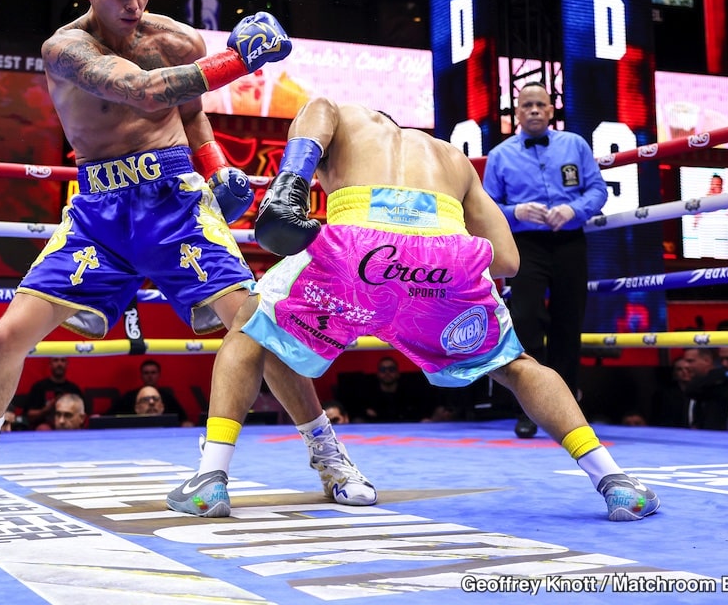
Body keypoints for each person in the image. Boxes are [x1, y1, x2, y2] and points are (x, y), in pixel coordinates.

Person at [0, 0, 373, 507]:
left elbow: (188, 109)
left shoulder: (175, 40)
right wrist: (242, 58)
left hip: (176, 203)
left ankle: (330, 458)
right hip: (99, 212)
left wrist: (217, 163)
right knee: (6, 336)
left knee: (257, 330)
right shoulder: (64, 49)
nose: (133, 4)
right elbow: (148, 92)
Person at [166, 98, 658, 522]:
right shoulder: (451, 157)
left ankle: (211, 478)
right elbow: (508, 260)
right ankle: (615, 482)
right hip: (445, 261)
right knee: (518, 366)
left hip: (357, 249)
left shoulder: (344, 116)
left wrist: (291, 182)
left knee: (251, 330)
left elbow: (318, 111)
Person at [481, 82, 608, 438]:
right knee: (524, 320)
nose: (534, 110)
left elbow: (598, 190)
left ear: (551, 110)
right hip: (526, 245)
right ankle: (530, 408)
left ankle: (565, 414)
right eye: (527, 105)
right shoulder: (501, 155)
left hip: (569, 240)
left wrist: (573, 208)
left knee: (568, 324)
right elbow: (486, 207)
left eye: (541, 104)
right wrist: (516, 211)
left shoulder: (575, 145)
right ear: (517, 113)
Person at [112, 359, 191, 424]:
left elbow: (184, 420)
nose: (150, 376)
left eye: (153, 373)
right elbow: (110, 418)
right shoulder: (129, 397)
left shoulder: (168, 398)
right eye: (146, 373)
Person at [363, 356, 435, 422]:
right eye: (383, 369)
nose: (387, 372)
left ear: (398, 373)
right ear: (378, 374)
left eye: (391, 369)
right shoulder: (369, 397)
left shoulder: (409, 396)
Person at [682, 347, 728, 430]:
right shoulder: (695, 383)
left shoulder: (721, 382)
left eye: (690, 361)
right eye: (685, 361)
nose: (686, 365)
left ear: (707, 360)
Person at [23, 357, 82, 429]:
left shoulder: (73, 389)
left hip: (69, 426)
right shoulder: (39, 387)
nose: (59, 364)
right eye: (56, 360)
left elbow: (82, 414)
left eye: (62, 360)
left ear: (67, 364)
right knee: (43, 428)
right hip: (45, 426)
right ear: (50, 364)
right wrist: (46, 409)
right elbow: (29, 415)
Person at [650, 355, 694, 428]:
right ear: (674, 373)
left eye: (688, 369)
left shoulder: (700, 393)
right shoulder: (664, 395)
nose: (684, 372)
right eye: (679, 369)